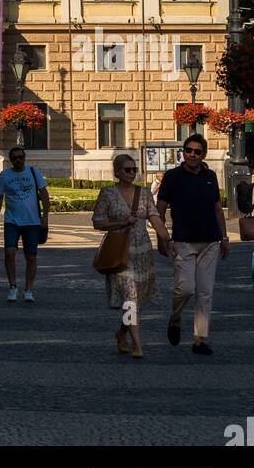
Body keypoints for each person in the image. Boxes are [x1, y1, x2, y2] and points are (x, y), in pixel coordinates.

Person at [92, 153, 174, 358]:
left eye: (134, 169)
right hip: (119, 252)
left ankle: (121, 333)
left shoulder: (144, 193)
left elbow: (155, 219)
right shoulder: (108, 193)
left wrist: (167, 240)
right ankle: (138, 345)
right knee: (130, 297)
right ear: (117, 172)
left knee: (133, 301)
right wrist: (120, 222)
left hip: (142, 252)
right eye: (127, 170)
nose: (131, 173)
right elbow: (97, 222)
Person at [158, 133, 230, 355]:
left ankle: (199, 339)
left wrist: (224, 238)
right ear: (184, 152)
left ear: (203, 155)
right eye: (188, 150)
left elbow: (218, 209)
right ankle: (176, 317)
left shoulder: (210, 176)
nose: (192, 154)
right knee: (185, 288)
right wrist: (162, 238)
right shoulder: (172, 177)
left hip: (210, 241)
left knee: (205, 293)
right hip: (183, 242)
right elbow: (159, 208)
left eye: (197, 151)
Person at [0, 146, 49, 302]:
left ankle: (29, 289)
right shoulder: (4, 175)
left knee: (31, 256)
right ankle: (12, 286)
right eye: (15, 158)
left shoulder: (33, 172)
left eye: (21, 157)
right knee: (9, 253)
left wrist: (45, 218)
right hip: (12, 221)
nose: (18, 160)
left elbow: (44, 194)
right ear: (11, 160)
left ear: (24, 158)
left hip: (32, 222)